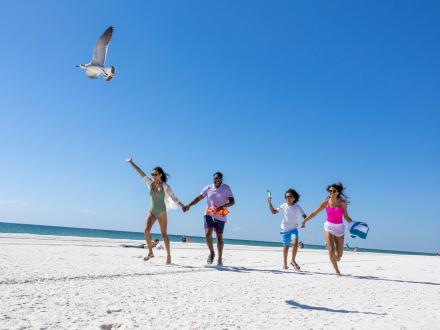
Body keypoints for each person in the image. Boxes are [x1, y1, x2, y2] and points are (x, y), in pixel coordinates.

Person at [127, 157, 185, 264]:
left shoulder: (165, 186)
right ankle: (150, 252)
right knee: (146, 230)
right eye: (152, 174)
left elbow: (174, 198)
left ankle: (168, 255)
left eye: (155, 174)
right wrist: (131, 162)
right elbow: (140, 172)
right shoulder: (150, 183)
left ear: (160, 175)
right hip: (152, 210)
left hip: (162, 211)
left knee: (164, 234)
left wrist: (182, 206)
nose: (153, 176)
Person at [183, 172, 234, 266]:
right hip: (209, 213)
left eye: (219, 178)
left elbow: (232, 201)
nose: (217, 180)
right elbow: (198, 198)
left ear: (222, 179)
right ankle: (212, 252)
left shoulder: (226, 188)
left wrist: (222, 207)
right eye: (216, 178)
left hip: (221, 214)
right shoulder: (208, 188)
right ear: (213, 179)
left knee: (219, 238)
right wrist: (189, 205)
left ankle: (219, 258)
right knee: (207, 234)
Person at [301, 182, 352, 275]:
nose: (331, 192)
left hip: (340, 228)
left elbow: (346, 217)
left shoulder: (342, 203)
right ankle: (337, 271)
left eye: (333, 191)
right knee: (331, 250)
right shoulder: (326, 202)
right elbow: (315, 212)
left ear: (338, 192)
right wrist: (305, 221)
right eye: (330, 191)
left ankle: (337, 256)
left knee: (339, 255)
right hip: (329, 226)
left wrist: (354, 224)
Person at [268, 189, 307, 270]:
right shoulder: (284, 205)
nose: (288, 198)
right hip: (285, 229)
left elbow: (304, 216)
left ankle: (293, 260)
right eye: (286, 197)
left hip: (293, 229)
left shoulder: (297, 207)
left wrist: (304, 222)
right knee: (286, 246)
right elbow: (273, 212)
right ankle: (285, 264)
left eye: (290, 196)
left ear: (294, 198)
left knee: (295, 243)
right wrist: (269, 203)